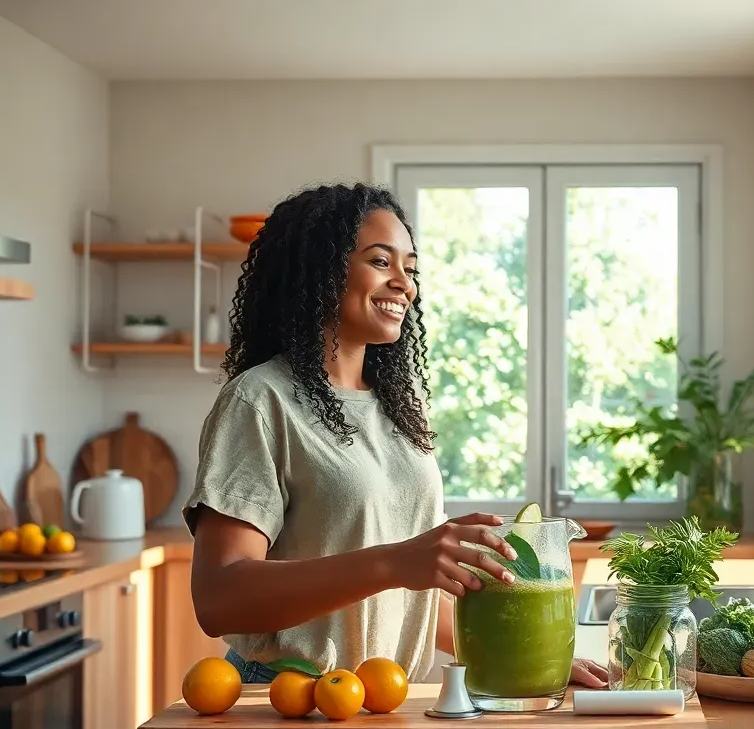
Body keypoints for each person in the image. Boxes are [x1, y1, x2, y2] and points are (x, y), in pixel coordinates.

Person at [184, 182, 608, 688]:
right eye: (381, 262)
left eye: (410, 269)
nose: (403, 284)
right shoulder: (259, 400)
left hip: (385, 698)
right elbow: (218, 598)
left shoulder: (399, 407)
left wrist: (526, 657)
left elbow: (416, 595)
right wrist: (394, 562)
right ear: (319, 269)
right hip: (289, 697)